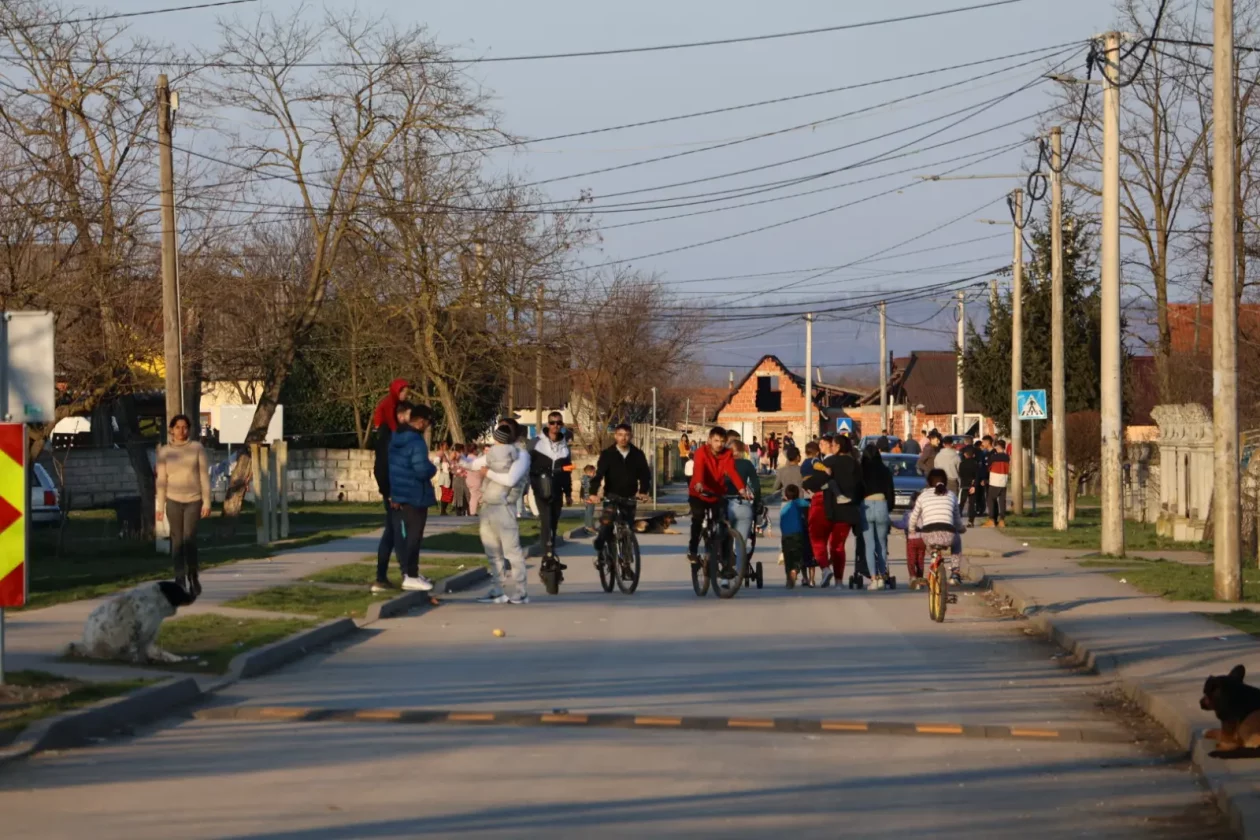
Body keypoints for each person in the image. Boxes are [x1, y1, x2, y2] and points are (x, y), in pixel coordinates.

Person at [156, 413, 211, 598]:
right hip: (173, 500)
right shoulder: (165, 452)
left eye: (185, 427)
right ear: (171, 430)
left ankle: (193, 575)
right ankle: (179, 578)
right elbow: (161, 480)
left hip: (193, 500)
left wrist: (207, 501)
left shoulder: (196, 448)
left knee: (189, 539)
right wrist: (160, 507)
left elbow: (204, 476)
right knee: (177, 541)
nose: (181, 431)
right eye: (178, 427)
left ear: (189, 429)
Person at [474, 422, 530, 604]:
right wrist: (460, 462)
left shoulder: (521, 455)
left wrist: (487, 473)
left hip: (505, 507)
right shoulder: (496, 454)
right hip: (488, 507)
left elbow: (511, 480)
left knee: (512, 552)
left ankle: (521, 591)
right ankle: (498, 589)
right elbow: (476, 464)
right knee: (492, 551)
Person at [387, 402, 438, 591]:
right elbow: (421, 470)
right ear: (421, 421)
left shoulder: (396, 438)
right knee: (414, 537)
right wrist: (433, 467)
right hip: (416, 494)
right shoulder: (416, 442)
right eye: (428, 423)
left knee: (405, 536)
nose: (427, 427)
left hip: (400, 493)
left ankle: (408, 573)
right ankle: (411, 575)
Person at [802, 434, 864, 588]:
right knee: (838, 546)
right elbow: (860, 487)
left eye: (833, 444)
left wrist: (806, 483)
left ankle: (825, 568)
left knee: (817, 539)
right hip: (848, 510)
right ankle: (839, 580)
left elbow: (816, 481)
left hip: (829, 508)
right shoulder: (855, 464)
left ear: (837, 446)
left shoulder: (830, 462)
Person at [687, 426, 748, 570]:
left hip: (717, 493)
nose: (719, 444)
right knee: (698, 519)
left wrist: (741, 489)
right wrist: (699, 483)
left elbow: (732, 471)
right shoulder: (701, 452)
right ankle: (693, 550)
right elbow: (699, 468)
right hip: (699, 492)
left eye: (722, 441)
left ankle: (725, 560)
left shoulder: (727, 454)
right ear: (709, 440)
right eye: (716, 440)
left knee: (722, 525)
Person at [588, 423, 652, 557]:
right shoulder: (607, 454)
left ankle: (626, 560)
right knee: (607, 524)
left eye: (627, 435)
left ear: (631, 436)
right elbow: (599, 475)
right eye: (621, 435)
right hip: (611, 496)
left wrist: (643, 492)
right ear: (615, 436)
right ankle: (602, 544)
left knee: (628, 530)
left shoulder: (637, 454)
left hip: (629, 497)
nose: (624, 438)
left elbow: (645, 475)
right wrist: (593, 493)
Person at [371, 399, 411, 593]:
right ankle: (406, 574)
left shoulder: (391, 436)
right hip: (394, 494)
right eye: (409, 416)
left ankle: (384, 576)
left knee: (392, 533)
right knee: (398, 533)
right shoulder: (389, 437)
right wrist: (389, 493)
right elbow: (382, 468)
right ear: (400, 416)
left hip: (395, 491)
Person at [908, 468, 966, 586]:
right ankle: (955, 572)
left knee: (931, 545)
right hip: (948, 535)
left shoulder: (922, 496)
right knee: (957, 541)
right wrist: (961, 529)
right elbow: (957, 519)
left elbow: (914, 517)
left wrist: (912, 529)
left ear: (928, 482)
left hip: (928, 535)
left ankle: (934, 558)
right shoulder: (951, 495)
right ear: (945, 481)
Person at [530, 411, 573, 562]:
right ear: (548, 424)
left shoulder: (565, 447)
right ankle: (546, 554)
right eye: (553, 423)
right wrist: (532, 481)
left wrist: (568, 493)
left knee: (553, 522)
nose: (556, 426)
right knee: (546, 520)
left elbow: (567, 471)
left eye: (559, 423)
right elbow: (527, 465)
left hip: (557, 490)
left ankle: (551, 550)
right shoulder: (536, 443)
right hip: (540, 489)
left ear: (562, 425)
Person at [860, 443, 895, 588]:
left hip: (866, 505)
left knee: (869, 545)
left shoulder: (861, 470)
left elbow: (857, 490)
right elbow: (890, 491)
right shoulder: (885, 470)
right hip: (881, 503)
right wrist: (889, 508)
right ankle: (882, 575)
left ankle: (873, 579)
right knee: (881, 543)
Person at [726, 440, 760, 546]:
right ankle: (740, 554)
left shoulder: (722, 464)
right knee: (741, 544)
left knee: (723, 540)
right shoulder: (747, 464)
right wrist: (757, 502)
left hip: (724, 504)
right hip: (742, 503)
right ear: (742, 451)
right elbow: (756, 485)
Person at [779, 484, 810, 588]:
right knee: (799, 555)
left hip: (786, 535)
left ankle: (789, 578)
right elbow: (809, 509)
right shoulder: (802, 503)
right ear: (798, 494)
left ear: (786, 496)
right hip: (798, 533)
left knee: (788, 557)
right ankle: (795, 570)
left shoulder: (784, 508)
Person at [892, 500, 927, 586]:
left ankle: (913, 577)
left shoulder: (908, 514)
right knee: (920, 559)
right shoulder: (924, 514)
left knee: (911, 559)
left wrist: (892, 523)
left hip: (911, 540)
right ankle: (920, 577)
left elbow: (903, 525)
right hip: (922, 540)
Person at [986, 438, 1011, 527]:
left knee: (990, 499)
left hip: (995, 480)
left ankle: (991, 520)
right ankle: (1002, 520)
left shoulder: (994, 457)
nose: (995, 448)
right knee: (1002, 501)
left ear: (998, 447)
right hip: (1004, 480)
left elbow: (988, 467)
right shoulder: (1007, 457)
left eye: (996, 446)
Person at [958, 446, 981, 527]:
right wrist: (974, 486)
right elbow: (977, 476)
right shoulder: (976, 464)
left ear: (965, 454)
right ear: (973, 455)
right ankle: (971, 521)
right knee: (972, 504)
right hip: (972, 485)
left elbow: (960, 474)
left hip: (964, 485)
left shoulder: (961, 464)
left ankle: (958, 520)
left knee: (961, 503)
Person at [431, 441, 453, 516]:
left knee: (448, 492)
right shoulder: (440, 452)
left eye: (447, 445)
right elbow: (436, 462)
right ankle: (443, 510)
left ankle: (444, 510)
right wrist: (440, 468)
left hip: (447, 473)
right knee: (446, 491)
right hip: (444, 474)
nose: (447, 446)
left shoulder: (446, 452)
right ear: (441, 446)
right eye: (445, 445)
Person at [464, 444, 484, 517]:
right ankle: (473, 512)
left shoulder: (467, 459)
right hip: (475, 480)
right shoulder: (475, 459)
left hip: (469, 479)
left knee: (478, 496)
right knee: (475, 496)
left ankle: (474, 511)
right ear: (474, 450)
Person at [580, 464, 598, 534]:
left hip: (587, 497)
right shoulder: (587, 478)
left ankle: (587, 526)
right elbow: (586, 489)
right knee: (590, 511)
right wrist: (588, 498)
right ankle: (589, 527)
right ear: (589, 472)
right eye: (593, 472)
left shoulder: (586, 478)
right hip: (589, 497)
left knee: (588, 511)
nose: (594, 474)